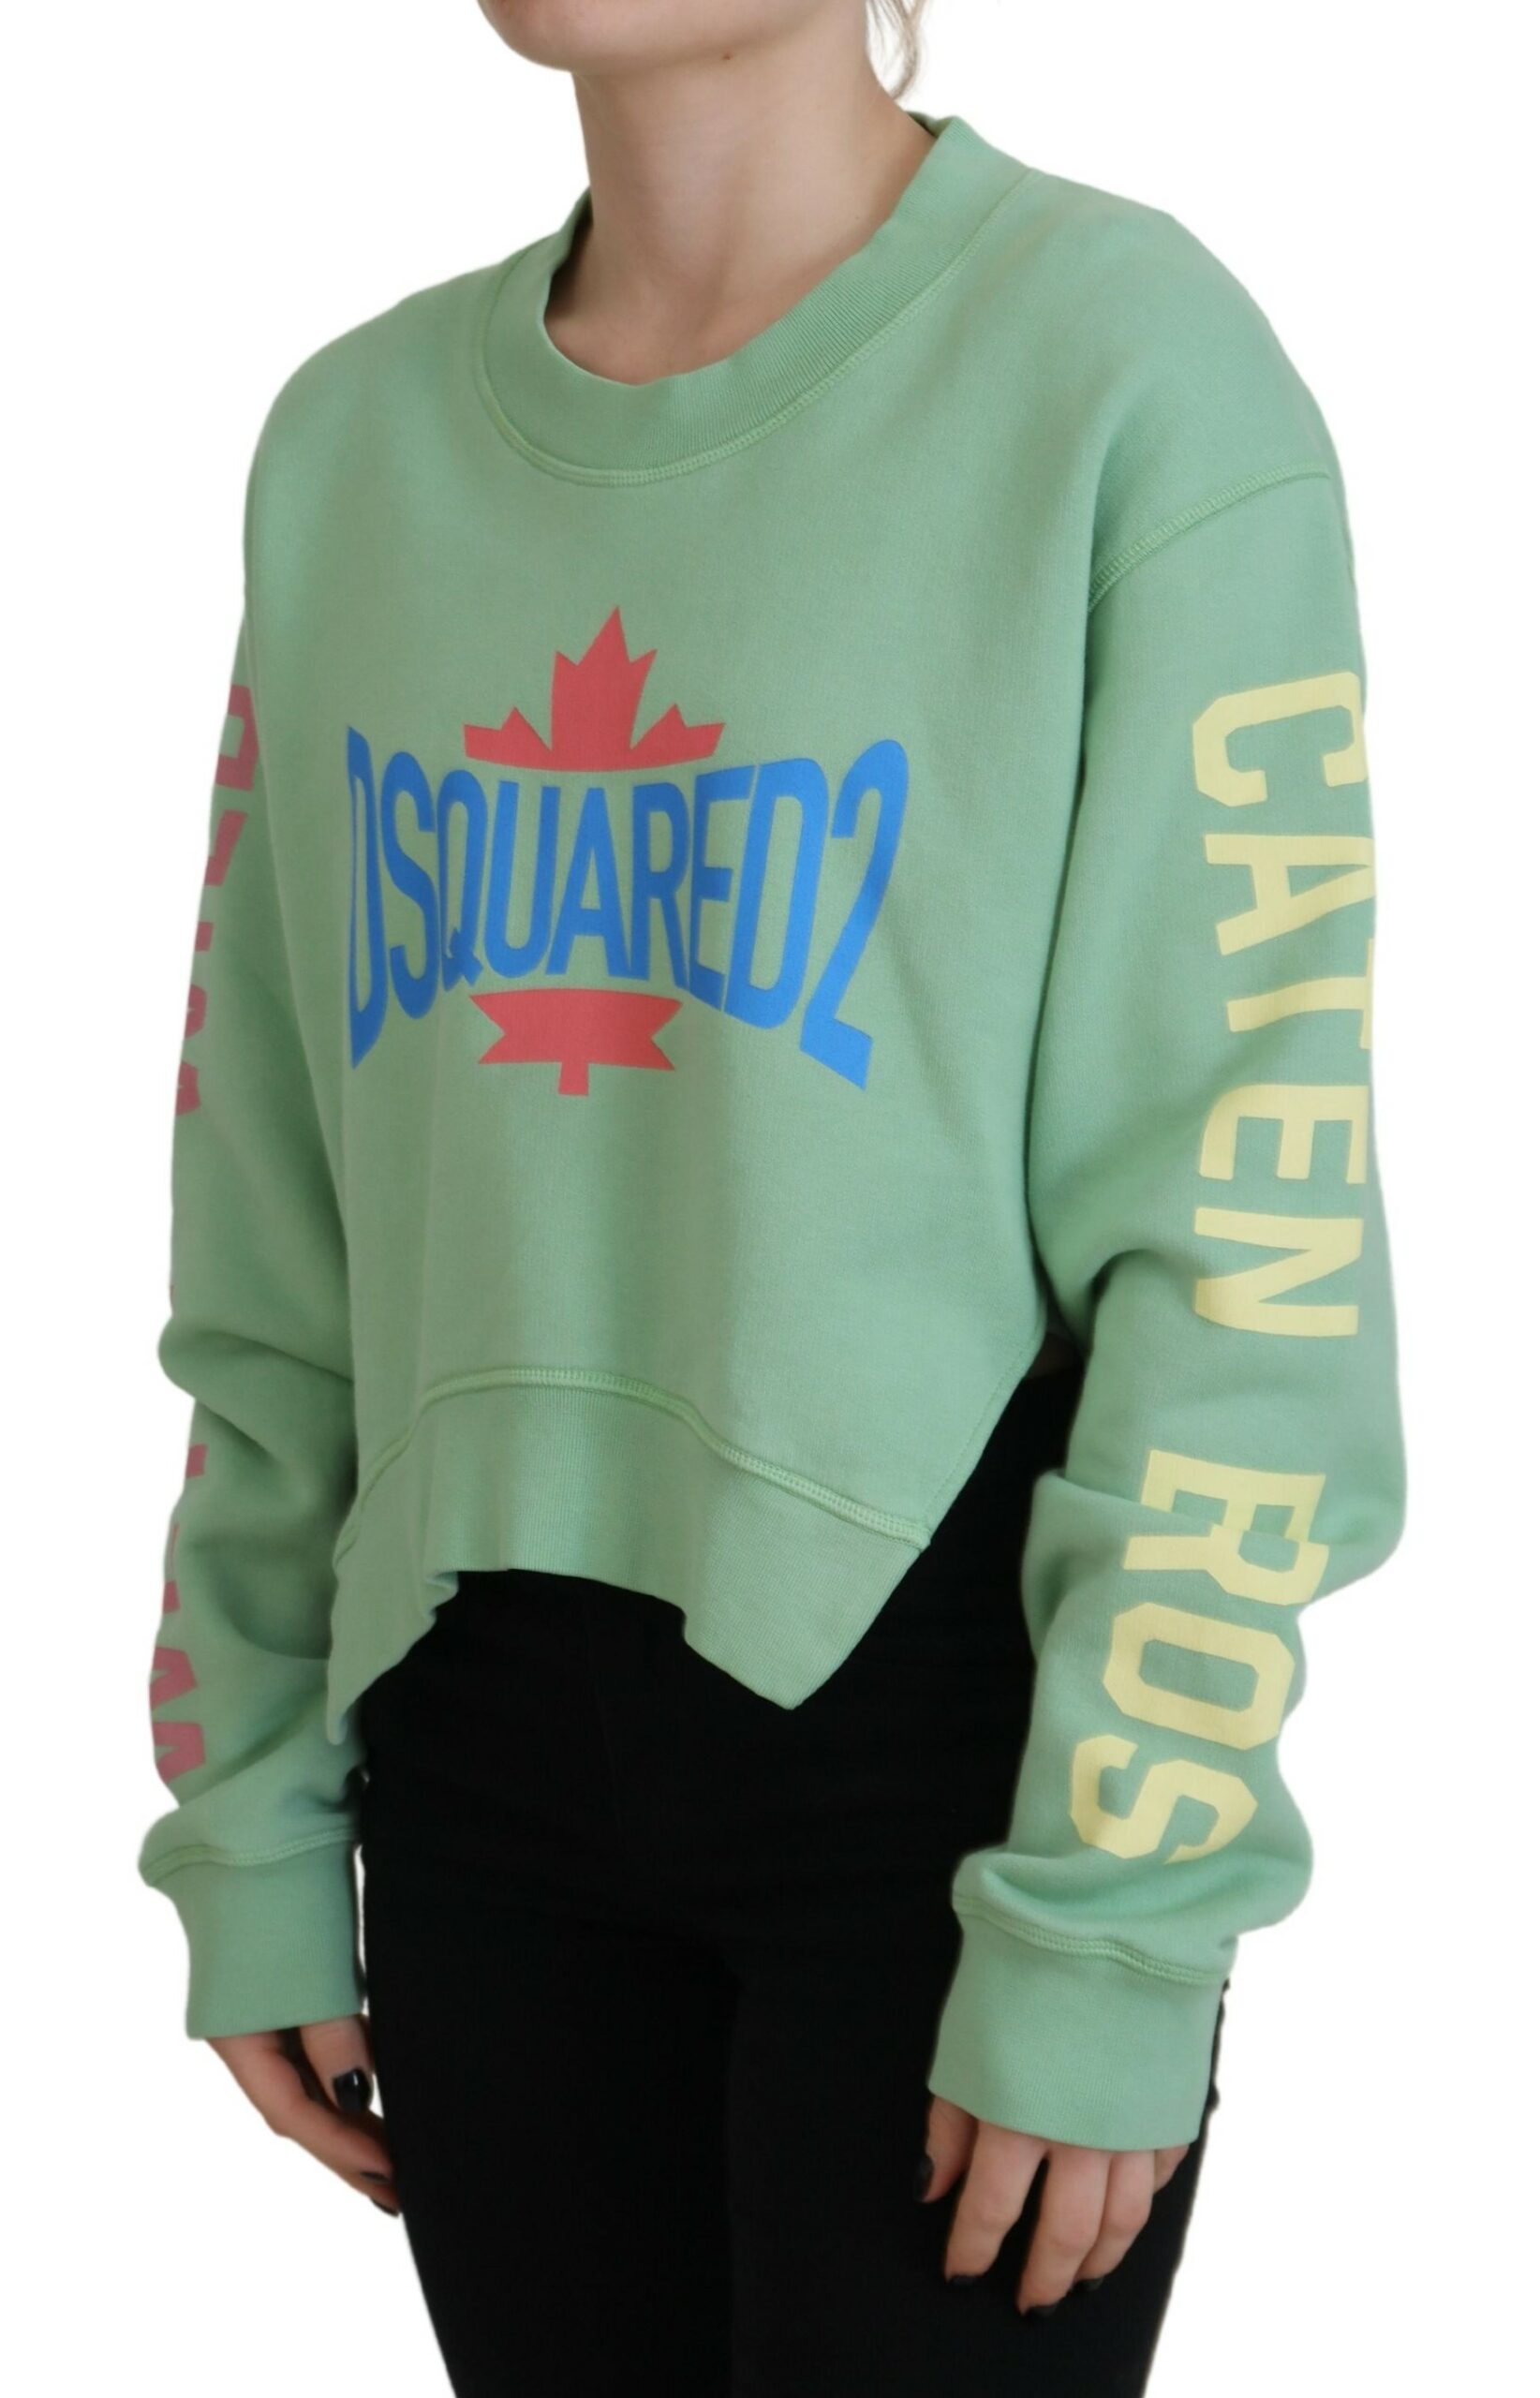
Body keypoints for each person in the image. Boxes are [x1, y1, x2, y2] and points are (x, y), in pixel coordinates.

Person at [137, 4, 1405, 2391]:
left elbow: (1249, 1229)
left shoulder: (1129, 377)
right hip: (467, 1766)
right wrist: (250, 1799)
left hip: (950, 1772)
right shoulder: (350, 449)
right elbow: (273, 1218)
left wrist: (1120, 1907)